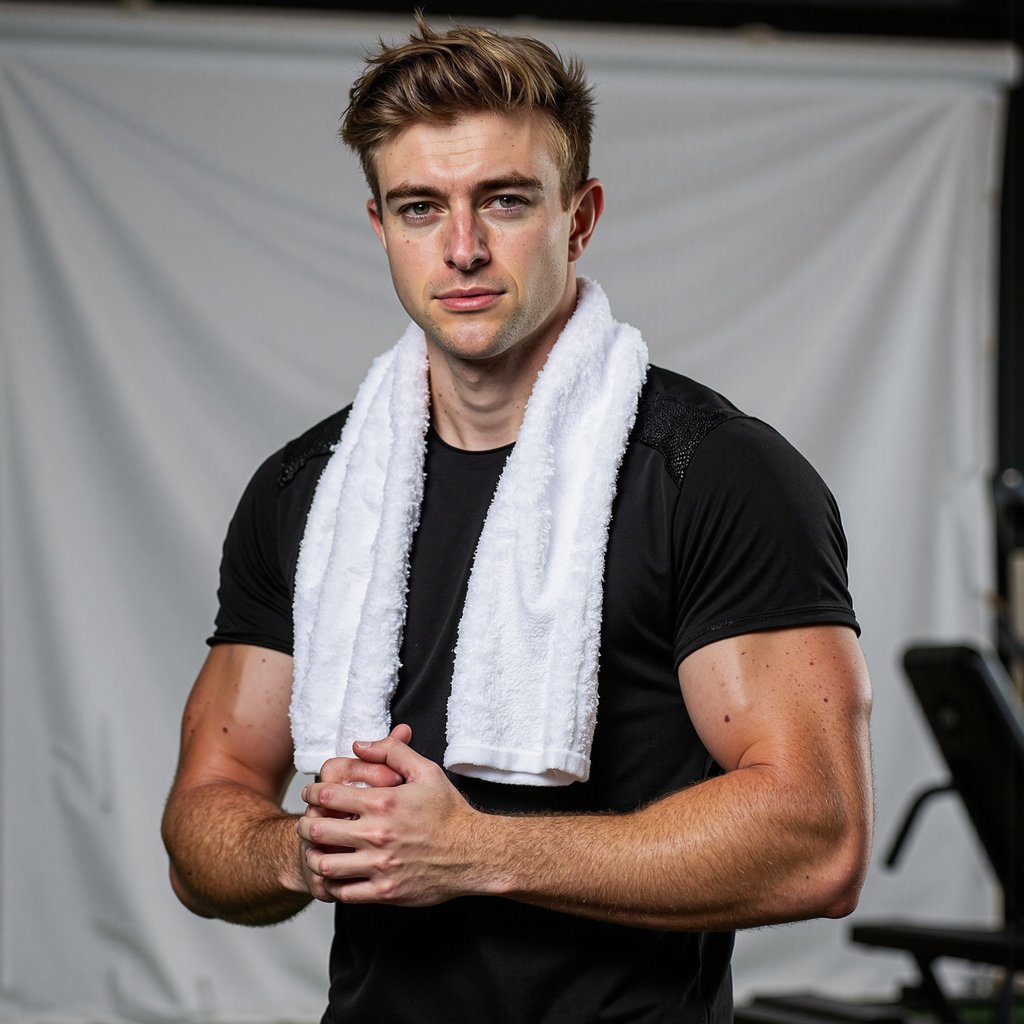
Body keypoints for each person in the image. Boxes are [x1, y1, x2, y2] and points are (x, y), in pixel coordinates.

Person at [161, 15, 874, 1024]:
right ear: (380, 228)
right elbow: (205, 814)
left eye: (504, 200)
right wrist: (305, 849)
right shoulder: (308, 490)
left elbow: (819, 837)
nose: (462, 249)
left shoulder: (715, 474)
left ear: (579, 218)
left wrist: (474, 851)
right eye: (420, 207)